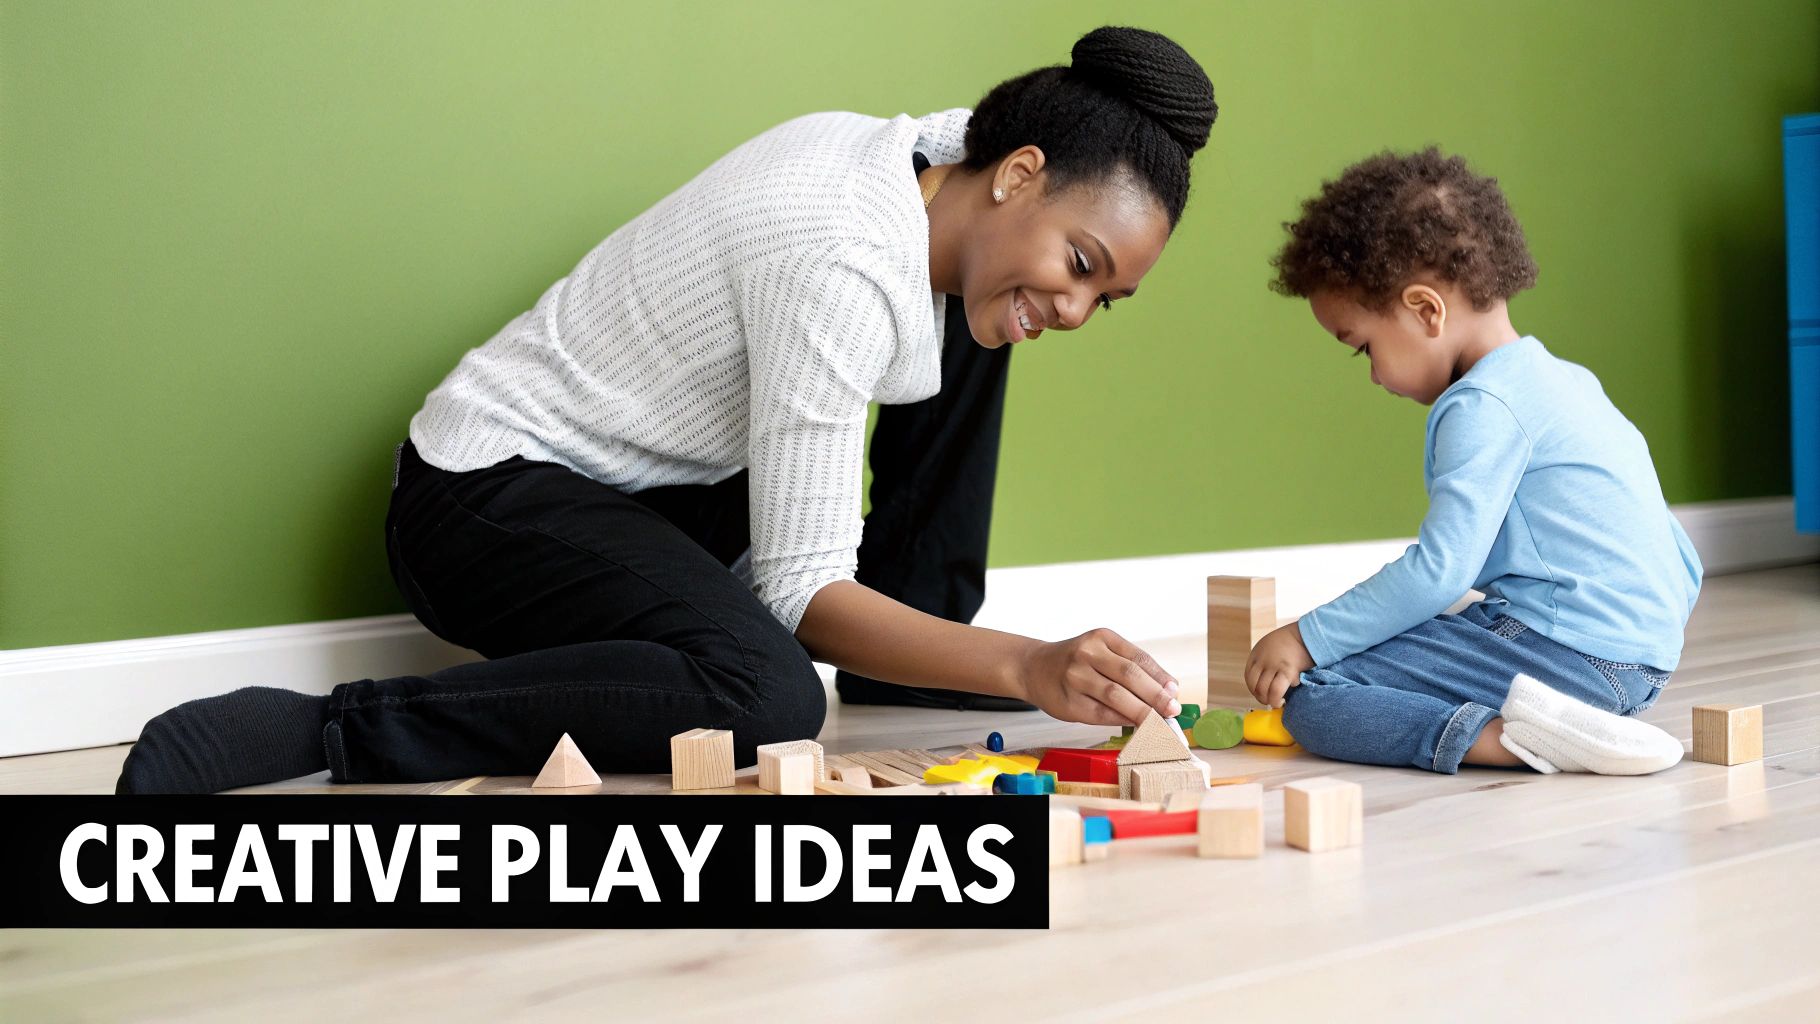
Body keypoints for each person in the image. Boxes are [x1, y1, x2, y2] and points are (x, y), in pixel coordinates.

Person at [116, 26, 1219, 794]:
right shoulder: (836, 250)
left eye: (1104, 296)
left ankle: (906, 644)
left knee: (986, 306)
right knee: (768, 694)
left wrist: (1041, 266)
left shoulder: (942, 162)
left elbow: (1006, 209)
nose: (1076, 308)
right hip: (483, 501)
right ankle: (332, 724)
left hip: (655, 493)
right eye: (1080, 264)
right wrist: (1029, 665)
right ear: (1019, 172)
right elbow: (796, 588)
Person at [1250, 147, 1701, 776]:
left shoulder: (1483, 405)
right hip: (1645, 664)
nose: (1375, 376)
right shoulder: (1567, 382)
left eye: (1363, 349)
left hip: (1570, 658)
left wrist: (1305, 637)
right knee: (1434, 630)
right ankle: (1578, 724)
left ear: (1425, 310)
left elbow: (1440, 571)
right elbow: (1681, 556)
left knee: (1317, 696)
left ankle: (1518, 739)